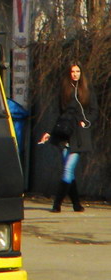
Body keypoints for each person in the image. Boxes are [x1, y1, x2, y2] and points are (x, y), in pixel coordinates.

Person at [38, 62, 97, 212]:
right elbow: (57, 114)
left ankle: (56, 204)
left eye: (78, 71)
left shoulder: (87, 90)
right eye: (72, 71)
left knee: (68, 169)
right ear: (68, 73)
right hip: (64, 134)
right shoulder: (64, 90)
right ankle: (76, 204)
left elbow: (94, 111)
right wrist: (49, 132)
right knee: (68, 170)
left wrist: (85, 122)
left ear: (81, 73)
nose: (75, 74)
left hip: (79, 135)